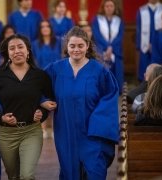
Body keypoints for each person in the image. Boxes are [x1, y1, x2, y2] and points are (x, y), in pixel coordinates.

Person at [43, 26, 119, 179]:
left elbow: (110, 96)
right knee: (70, 172)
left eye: (80, 45)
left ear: (87, 46)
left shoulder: (99, 71)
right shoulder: (55, 69)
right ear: (67, 47)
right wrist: (43, 101)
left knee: (95, 171)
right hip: (66, 131)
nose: (76, 49)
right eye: (72, 46)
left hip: (92, 132)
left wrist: (97, 124)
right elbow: (38, 86)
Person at [0, 34, 54, 179]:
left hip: (32, 131)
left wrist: (41, 112)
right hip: (6, 134)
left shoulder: (40, 76)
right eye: (12, 48)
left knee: (27, 176)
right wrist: (0, 117)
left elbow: (49, 101)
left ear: (28, 50)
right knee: (13, 176)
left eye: (20, 47)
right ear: (8, 53)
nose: (17, 51)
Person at [92, 0, 124, 93]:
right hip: (101, 49)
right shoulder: (97, 19)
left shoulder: (119, 20)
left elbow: (120, 36)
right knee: (103, 70)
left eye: (111, 6)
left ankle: (116, 91)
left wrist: (111, 47)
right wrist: (107, 47)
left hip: (116, 50)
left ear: (114, 7)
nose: (109, 8)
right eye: (107, 6)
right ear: (103, 7)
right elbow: (97, 35)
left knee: (116, 71)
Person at [136, 0, 162, 81]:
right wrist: (140, 45)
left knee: (158, 73)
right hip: (145, 47)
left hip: (160, 47)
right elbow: (138, 29)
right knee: (144, 71)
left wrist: (155, 45)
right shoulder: (141, 10)